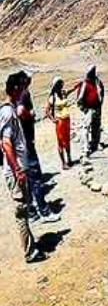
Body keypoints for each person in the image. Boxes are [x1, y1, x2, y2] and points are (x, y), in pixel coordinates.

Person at [1, 72, 43, 263]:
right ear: (16, 89)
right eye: (23, 87)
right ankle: (30, 252)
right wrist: (17, 169)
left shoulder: (10, 109)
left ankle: (31, 244)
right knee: (21, 212)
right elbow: (6, 143)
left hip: (18, 168)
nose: (24, 91)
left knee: (24, 210)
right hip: (15, 170)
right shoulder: (8, 112)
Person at [15, 71, 56, 223]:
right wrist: (30, 115)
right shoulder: (24, 94)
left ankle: (31, 212)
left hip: (20, 142)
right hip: (27, 141)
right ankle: (44, 211)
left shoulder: (14, 94)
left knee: (26, 179)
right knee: (35, 176)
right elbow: (20, 112)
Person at [72, 65, 104, 156]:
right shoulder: (85, 84)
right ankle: (85, 148)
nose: (93, 73)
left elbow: (101, 91)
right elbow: (79, 98)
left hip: (97, 108)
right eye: (92, 71)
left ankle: (95, 144)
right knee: (86, 128)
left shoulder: (97, 82)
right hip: (89, 109)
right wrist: (84, 109)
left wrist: (101, 102)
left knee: (96, 127)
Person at [46, 77, 73, 170]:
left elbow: (72, 89)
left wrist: (80, 84)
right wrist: (53, 119)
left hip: (67, 120)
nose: (60, 86)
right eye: (59, 84)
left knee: (68, 140)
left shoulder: (63, 93)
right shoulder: (52, 97)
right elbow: (47, 111)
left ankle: (69, 158)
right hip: (60, 121)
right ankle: (63, 162)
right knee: (61, 142)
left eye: (61, 84)